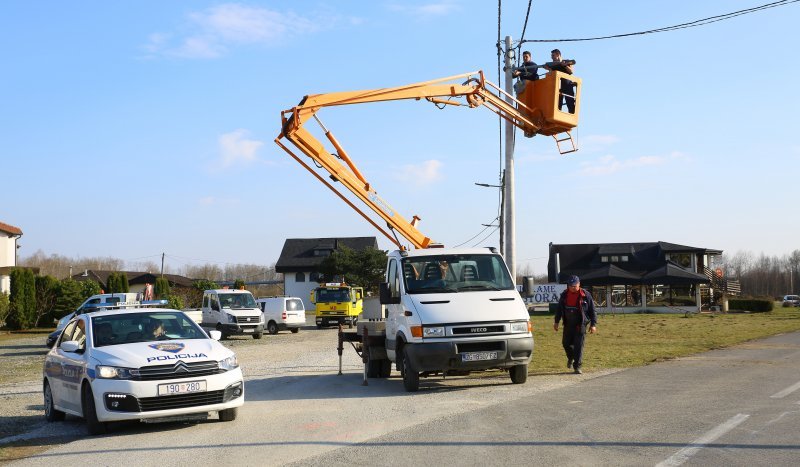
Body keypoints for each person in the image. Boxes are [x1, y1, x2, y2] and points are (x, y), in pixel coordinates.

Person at [553, 275, 597, 374]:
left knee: (578, 346)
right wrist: (556, 322)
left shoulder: (586, 295)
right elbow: (559, 309)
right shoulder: (564, 295)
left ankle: (577, 366)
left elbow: (592, 311)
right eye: (571, 285)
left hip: (580, 324)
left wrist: (593, 324)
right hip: (568, 324)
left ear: (579, 284)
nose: (573, 287)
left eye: (575, 285)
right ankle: (571, 357)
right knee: (565, 344)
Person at [544, 48, 577, 113]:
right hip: (557, 87)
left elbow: (571, 71)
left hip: (567, 85)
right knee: (557, 105)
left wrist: (565, 65)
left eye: (553, 56)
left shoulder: (566, 61)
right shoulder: (554, 65)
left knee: (570, 103)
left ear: (558, 55)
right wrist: (549, 69)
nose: (552, 58)